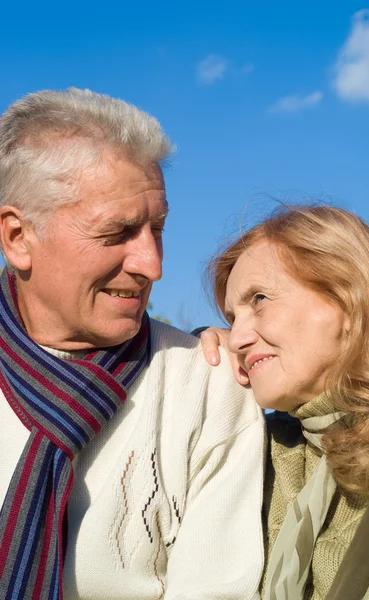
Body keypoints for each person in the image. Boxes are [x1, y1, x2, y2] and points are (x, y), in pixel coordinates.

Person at [0, 88, 265, 600]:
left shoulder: (212, 388)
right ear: (17, 237)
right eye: (117, 232)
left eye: (158, 229)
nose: (152, 265)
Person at [201, 204, 369, 600]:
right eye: (231, 318)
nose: (237, 339)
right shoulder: (258, 452)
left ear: (347, 298)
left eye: (259, 299)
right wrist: (196, 367)